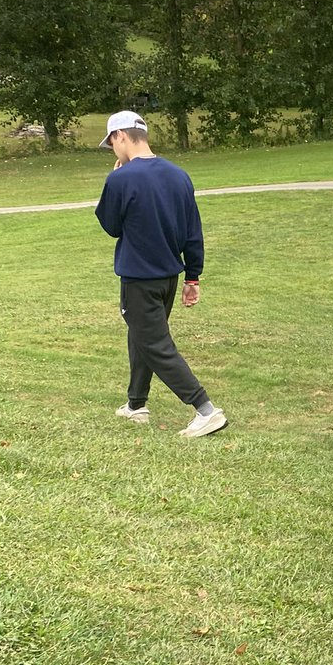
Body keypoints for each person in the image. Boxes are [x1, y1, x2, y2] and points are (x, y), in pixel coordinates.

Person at [95, 111, 228, 438]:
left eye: (111, 143)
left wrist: (115, 179)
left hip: (139, 279)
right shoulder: (179, 175)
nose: (113, 150)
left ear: (120, 136)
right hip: (169, 278)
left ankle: (205, 410)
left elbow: (111, 226)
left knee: (154, 343)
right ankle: (136, 404)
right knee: (142, 336)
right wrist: (193, 277)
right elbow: (193, 232)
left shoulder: (120, 179)